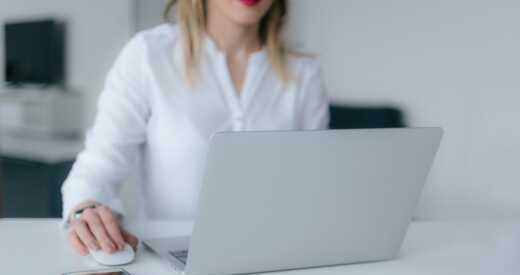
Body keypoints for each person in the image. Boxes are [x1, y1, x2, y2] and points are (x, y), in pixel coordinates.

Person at [63, 0, 329, 256]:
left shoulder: (305, 73)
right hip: (170, 262)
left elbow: (313, 189)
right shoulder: (149, 55)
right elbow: (97, 168)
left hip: (275, 259)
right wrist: (86, 209)